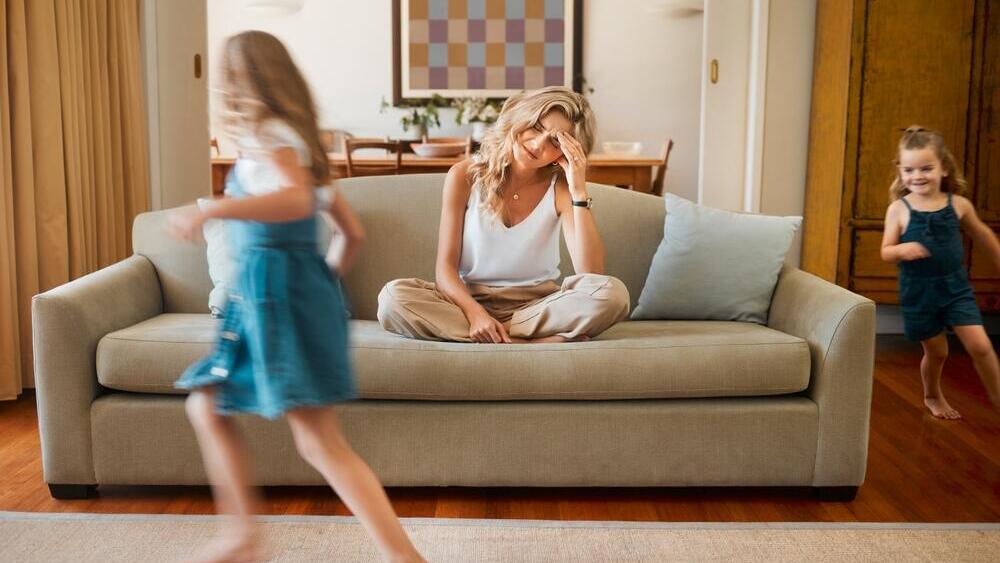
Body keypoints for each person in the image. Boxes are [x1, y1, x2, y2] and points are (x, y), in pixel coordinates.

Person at [167, 31, 424, 563]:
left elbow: (295, 200)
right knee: (207, 404)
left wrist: (212, 209)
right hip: (277, 298)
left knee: (318, 442)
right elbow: (351, 233)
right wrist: (320, 286)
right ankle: (241, 535)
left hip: (276, 300)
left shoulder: (269, 136)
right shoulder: (297, 144)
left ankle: (404, 559)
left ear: (241, 83)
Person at [378, 86, 630, 344]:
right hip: (469, 303)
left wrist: (578, 188)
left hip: (537, 306)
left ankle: (498, 335)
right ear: (521, 118)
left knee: (613, 294)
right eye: (537, 127)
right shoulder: (464, 175)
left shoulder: (562, 189)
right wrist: (476, 315)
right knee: (393, 297)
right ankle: (529, 342)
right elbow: (445, 270)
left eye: (555, 141)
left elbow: (591, 273)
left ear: (565, 152)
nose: (537, 144)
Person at [880, 125, 1000, 419]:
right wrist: (901, 250)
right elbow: (886, 251)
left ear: (944, 168)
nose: (917, 176)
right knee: (938, 353)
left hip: (955, 289)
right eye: (909, 169)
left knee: (981, 346)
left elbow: (983, 235)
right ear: (900, 170)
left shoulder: (958, 205)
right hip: (919, 293)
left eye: (926, 168)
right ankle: (932, 394)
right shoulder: (899, 209)